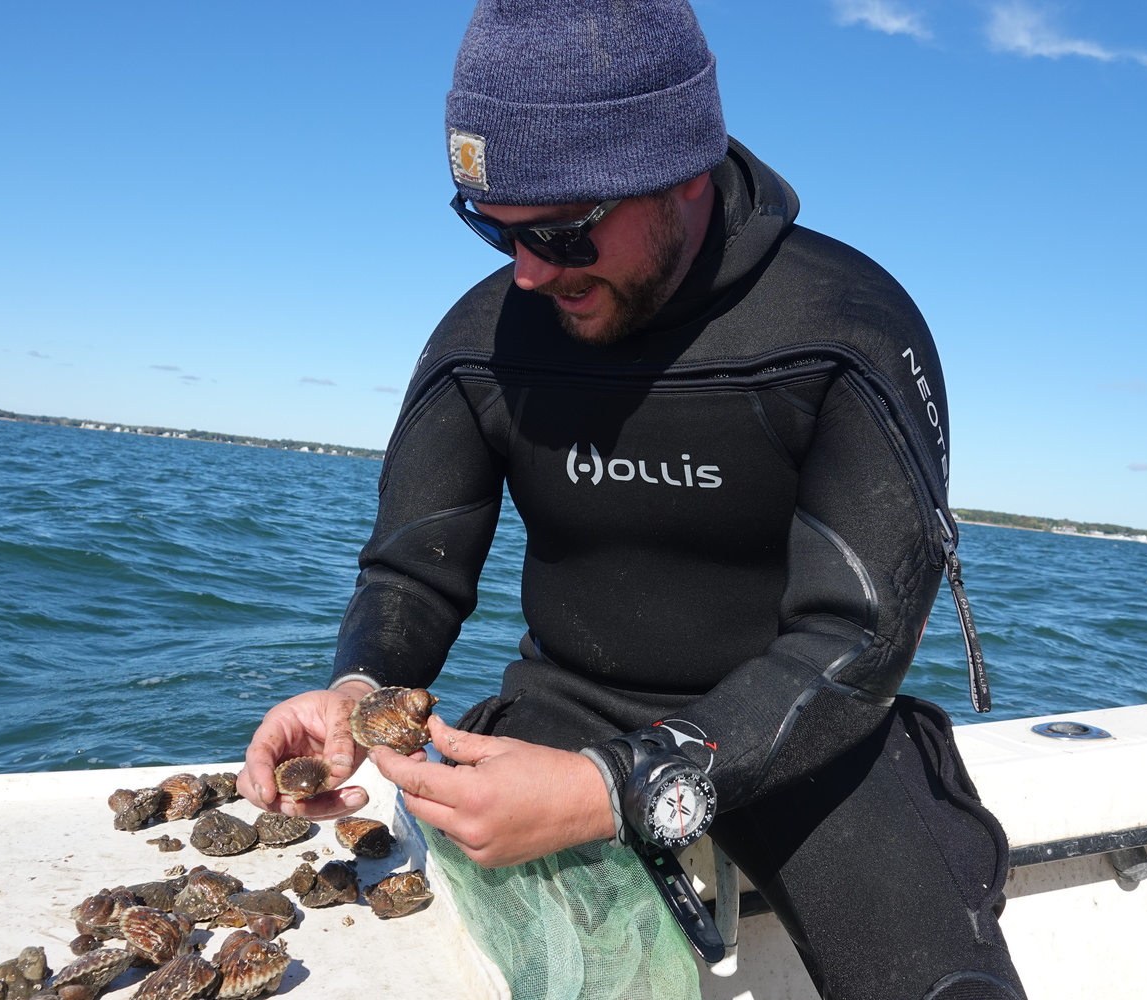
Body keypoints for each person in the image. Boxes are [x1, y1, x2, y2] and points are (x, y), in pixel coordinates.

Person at [238, 2, 1026, 997]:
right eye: (492, 227)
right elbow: (411, 570)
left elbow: (852, 644)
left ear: (683, 171)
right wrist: (357, 694)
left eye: (564, 233)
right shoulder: (485, 339)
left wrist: (614, 789)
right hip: (561, 710)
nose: (527, 272)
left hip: (804, 739)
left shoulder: (843, 330)